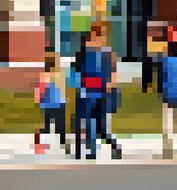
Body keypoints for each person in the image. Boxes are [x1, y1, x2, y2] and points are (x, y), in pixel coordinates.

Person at [73, 27, 121, 160]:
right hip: (87, 94)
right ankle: (92, 151)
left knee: (101, 127)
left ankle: (114, 145)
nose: (96, 42)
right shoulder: (82, 55)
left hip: (102, 95)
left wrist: (110, 86)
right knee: (89, 124)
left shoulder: (107, 54)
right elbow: (77, 74)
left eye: (98, 38)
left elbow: (112, 75)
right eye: (93, 39)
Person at [33, 55, 68, 155]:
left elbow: (40, 89)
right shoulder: (59, 75)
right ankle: (63, 143)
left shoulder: (46, 75)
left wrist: (38, 99)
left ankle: (40, 144)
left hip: (49, 104)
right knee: (59, 125)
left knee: (48, 126)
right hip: (57, 103)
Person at [143, 21, 165, 95]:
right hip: (151, 53)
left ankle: (160, 89)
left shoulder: (161, 25)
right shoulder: (153, 25)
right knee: (148, 71)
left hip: (159, 53)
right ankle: (146, 87)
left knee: (160, 73)